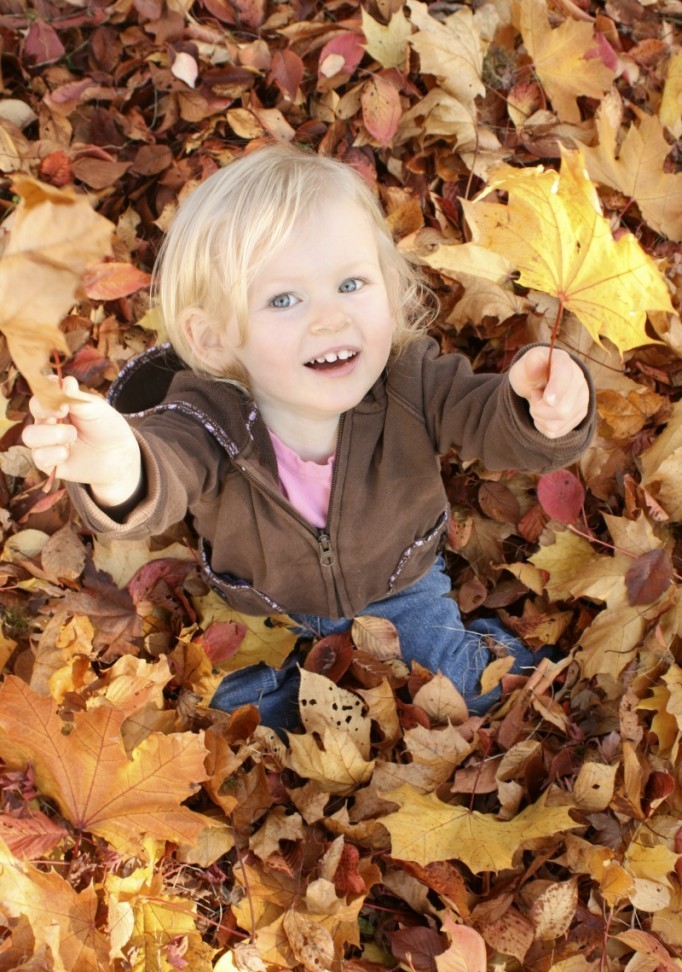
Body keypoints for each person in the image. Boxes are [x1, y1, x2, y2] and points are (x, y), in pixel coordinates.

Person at [23, 144, 595, 731]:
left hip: (399, 588)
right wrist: (121, 467)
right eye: (284, 299)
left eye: (351, 284)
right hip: (268, 610)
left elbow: (484, 417)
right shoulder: (208, 414)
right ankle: (304, 682)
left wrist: (538, 412)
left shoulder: (409, 380)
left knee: (471, 690)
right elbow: (166, 465)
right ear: (215, 337)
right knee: (232, 715)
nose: (329, 318)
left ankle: (473, 648)